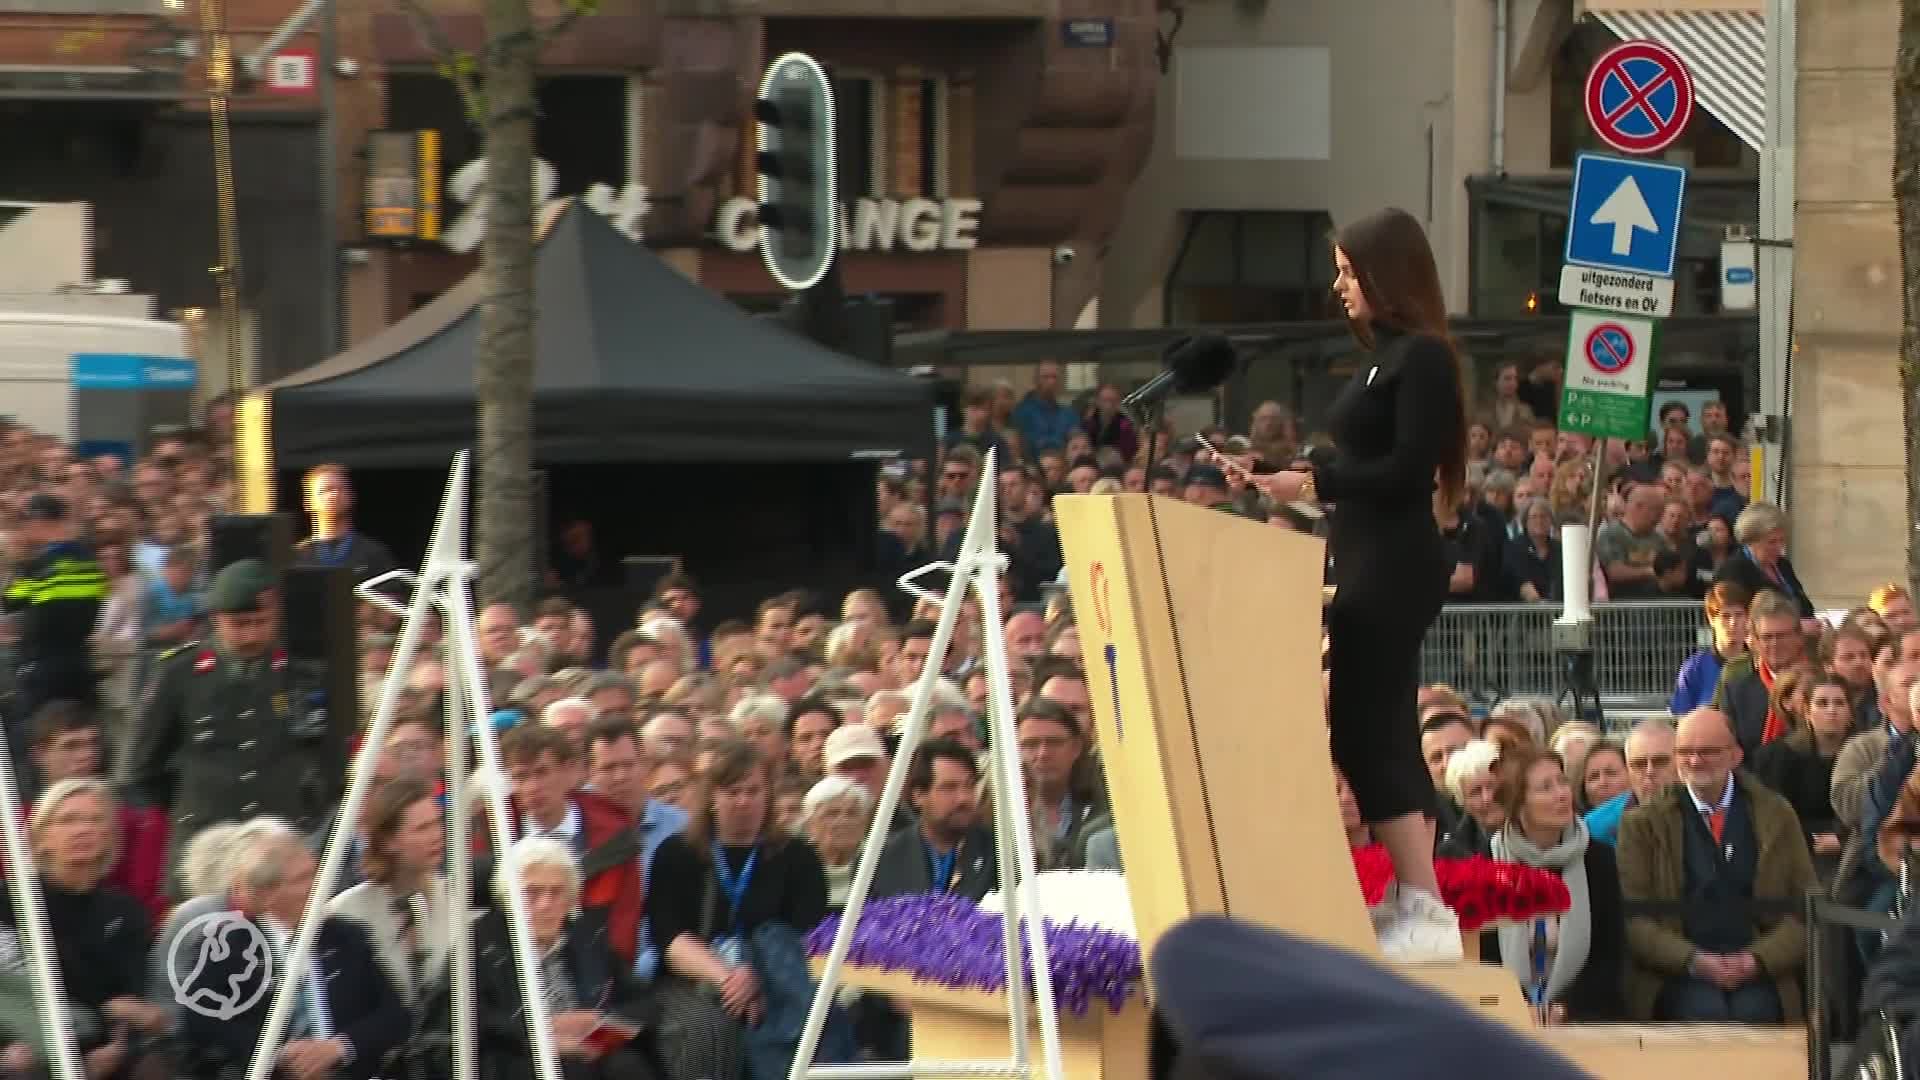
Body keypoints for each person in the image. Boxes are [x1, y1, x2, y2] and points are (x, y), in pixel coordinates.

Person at [1235, 207, 1467, 959]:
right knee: (1377, 724)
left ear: (1385, 274)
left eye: (1347, 272)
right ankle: (1412, 895)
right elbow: (1366, 475)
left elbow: (1405, 469)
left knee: (1369, 730)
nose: (1339, 287)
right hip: (1366, 554)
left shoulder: (1422, 360)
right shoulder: (1383, 359)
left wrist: (1317, 476)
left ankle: (1426, 903)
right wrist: (1292, 484)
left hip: (1395, 561)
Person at [128, 558, 345, 893]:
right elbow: (144, 767)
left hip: (280, 847)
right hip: (206, 848)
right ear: (216, 619)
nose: (252, 635)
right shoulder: (179, 675)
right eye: (240, 624)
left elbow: (326, 755)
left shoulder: (299, 676)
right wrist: (196, 799)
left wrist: (303, 804)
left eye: (261, 622)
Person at [5, 493, 107, 717]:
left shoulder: (38, 566)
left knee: (38, 737)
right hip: (79, 662)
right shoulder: (90, 561)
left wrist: (19, 562)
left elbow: (10, 601)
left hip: (42, 666)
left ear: (40, 522)